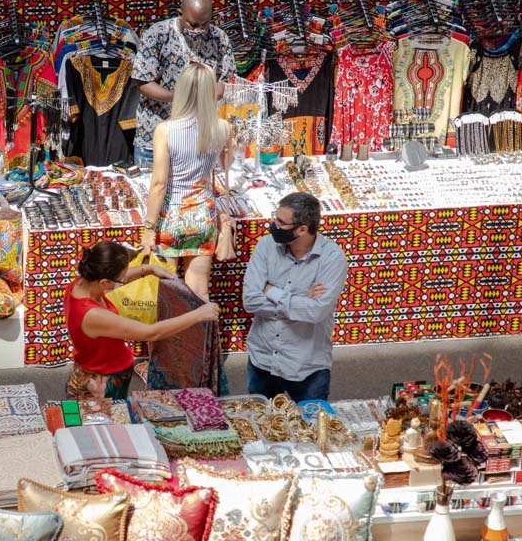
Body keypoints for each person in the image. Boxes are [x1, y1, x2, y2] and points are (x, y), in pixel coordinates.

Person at [66, 241, 220, 400]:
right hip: (100, 384)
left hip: (101, 371)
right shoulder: (93, 315)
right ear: (104, 282)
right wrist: (198, 315)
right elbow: (151, 332)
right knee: (107, 422)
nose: (122, 281)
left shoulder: (81, 284)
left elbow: (118, 278)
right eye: (119, 280)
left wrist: (148, 269)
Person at [242, 192, 347, 402]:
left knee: (311, 431)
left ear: (302, 229)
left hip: (307, 367)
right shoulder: (266, 246)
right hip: (263, 359)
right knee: (262, 427)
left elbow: (316, 311)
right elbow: (250, 300)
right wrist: (301, 301)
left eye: (281, 222)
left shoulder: (332, 258)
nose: (273, 225)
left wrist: (271, 291)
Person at [141, 62, 231, 299]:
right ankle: (201, 335)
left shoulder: (166, 130)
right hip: (202, 214)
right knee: (199, 288)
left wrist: (149, 228)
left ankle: (163, 336)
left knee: (165, 292)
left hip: (170, 216)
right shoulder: (222, 128)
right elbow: (226, 166)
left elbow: (159, 184)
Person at [132, 0, 236, 167]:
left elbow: (225, 81)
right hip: (156, 136)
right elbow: (142, 82)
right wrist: (181, 98)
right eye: (193, 24)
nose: (199, 30)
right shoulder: (157, 35)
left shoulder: (219, 38)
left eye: (205, 24)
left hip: (199, 139)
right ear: (180, 13)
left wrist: (208, 96)